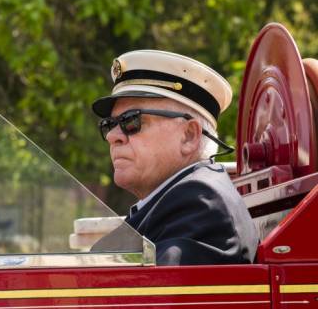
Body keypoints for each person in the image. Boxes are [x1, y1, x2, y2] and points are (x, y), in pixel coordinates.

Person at [90, 50, 258, 265]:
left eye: (131, 121)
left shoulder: (200, 202)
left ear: (189, 136)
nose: (113, 136)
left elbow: (150, 292)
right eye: (109, 124)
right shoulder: (174, 202)